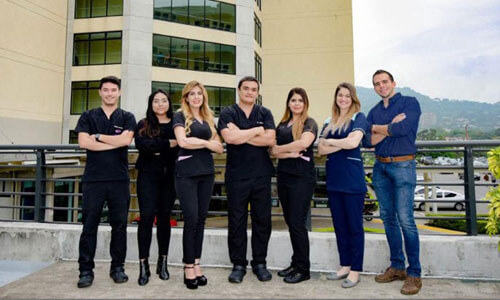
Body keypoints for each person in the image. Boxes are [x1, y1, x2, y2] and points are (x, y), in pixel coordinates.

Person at [75, 76, 136, 288]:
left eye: (113, 90)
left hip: (119, 179)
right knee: (88, 225)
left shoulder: (127, 116)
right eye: (106, 90)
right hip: (94, 179)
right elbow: (84, 142)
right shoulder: (88, 116)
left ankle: (117, 268)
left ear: (119, 92)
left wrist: (99, 137)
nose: (110, 93)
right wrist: (115, 142)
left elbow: (127, 141)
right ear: (100, 92)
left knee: (119, 226)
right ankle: (85, 271)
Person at [366, 69, 422, 295]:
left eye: (385, 82)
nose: (382, 86)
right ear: (375, 87)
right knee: (388, 218)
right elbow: (368, 140)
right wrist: (389, 126)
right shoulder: (373, 110)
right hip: (380, 167)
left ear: (393, 82)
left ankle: (415, 274)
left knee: (406, 220)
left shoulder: (410, 103)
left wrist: (380, 128)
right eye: (377, 84)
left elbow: (403, 129)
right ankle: (397, 266)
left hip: (403, 165)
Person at [218, 76, 276, 283]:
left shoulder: (265, 113)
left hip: (261, 175)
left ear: (257, 92)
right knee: (237, 221)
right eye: (246, 89)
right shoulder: (227, 113)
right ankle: (238, 265)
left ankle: (260, 263)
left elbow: (270, 140)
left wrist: (242, 134)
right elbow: (230, 139)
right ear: (239, 91)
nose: (250, 92)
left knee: (263, 221)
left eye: (254, 89)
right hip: (237, 177)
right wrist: (256, 131)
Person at [173, 81, 223, 289]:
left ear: (204, 97)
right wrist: (205, 143)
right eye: (192, 94)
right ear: (186, 97)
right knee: (191, 219)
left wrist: (201, 142)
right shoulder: (179, 116)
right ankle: (187, 267)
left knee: (201, 219)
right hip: (186, 173)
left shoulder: (209, 118)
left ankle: (197, 262)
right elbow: (183, 142)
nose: (196, 97)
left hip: (206, 173)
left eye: (199, 94)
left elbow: (219, 148)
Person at [317, 82, 368, 289]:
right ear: (336, 98)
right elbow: (320, 149)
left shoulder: (359, 117)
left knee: (355, 227)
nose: (343, 99)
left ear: (353, 98)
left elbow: (353, 143)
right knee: (340, 226)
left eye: (347, 96)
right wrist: (338, 142)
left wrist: (331, 142)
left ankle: (355, 270)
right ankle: (345, 265)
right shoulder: (329, 120)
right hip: (334, 181)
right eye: (340, 95)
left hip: (352, 181)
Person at [270, 88, 317, 284]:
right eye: (293, 100)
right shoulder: (281, 124)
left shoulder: (309, 123)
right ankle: (295, 262)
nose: (296, 103)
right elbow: (272, 152)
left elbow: (304, 143)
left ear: (305, 103)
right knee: (291, 222)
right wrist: (287, 153)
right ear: (288, 103)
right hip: (284, 176)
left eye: (300, 100)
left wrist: (282, 149)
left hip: (302, 177)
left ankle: (303, 269)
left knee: (298, 223)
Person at [134, 89, 178, 286]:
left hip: (169, 177)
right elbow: (143, 146)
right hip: (147, 176)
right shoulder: (143, 124)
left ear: (169, 103)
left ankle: (163, 262)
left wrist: (158, 145)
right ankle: (144, 265)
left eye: (164, 100)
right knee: (146, 218)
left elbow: (180, 144)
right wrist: (168, 143)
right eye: (156, 101)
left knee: (164, 218)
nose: (160, 104)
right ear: (151, 104)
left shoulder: (177, 123)